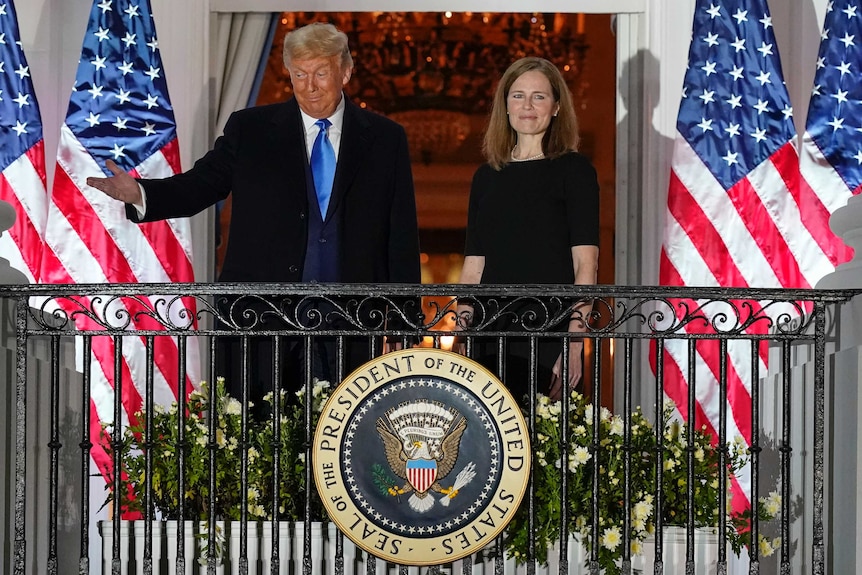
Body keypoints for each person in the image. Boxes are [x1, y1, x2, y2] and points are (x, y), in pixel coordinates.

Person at [87, 22, 421, 407]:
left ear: (345, 71)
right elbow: (203, 183)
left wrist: (404, 317)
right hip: (261, 317)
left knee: (342, 438)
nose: (309, 85)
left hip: (351, 320)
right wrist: (143, 192)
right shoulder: (252, 130)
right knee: (260, 439)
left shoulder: (384, 138)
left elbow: (400, 230)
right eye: (299, 74)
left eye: (321, 73)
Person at [456, 56, 599, 403]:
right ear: (505, 106)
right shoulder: (486, 176)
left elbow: (586, 266)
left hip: (548, 333)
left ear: (556, 107)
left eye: (539, 96)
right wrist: (460, 336)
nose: (528, 106)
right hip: (488, 333)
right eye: (518, 95)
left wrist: (575, 342)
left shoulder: (575, 171)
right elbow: (474, 265)